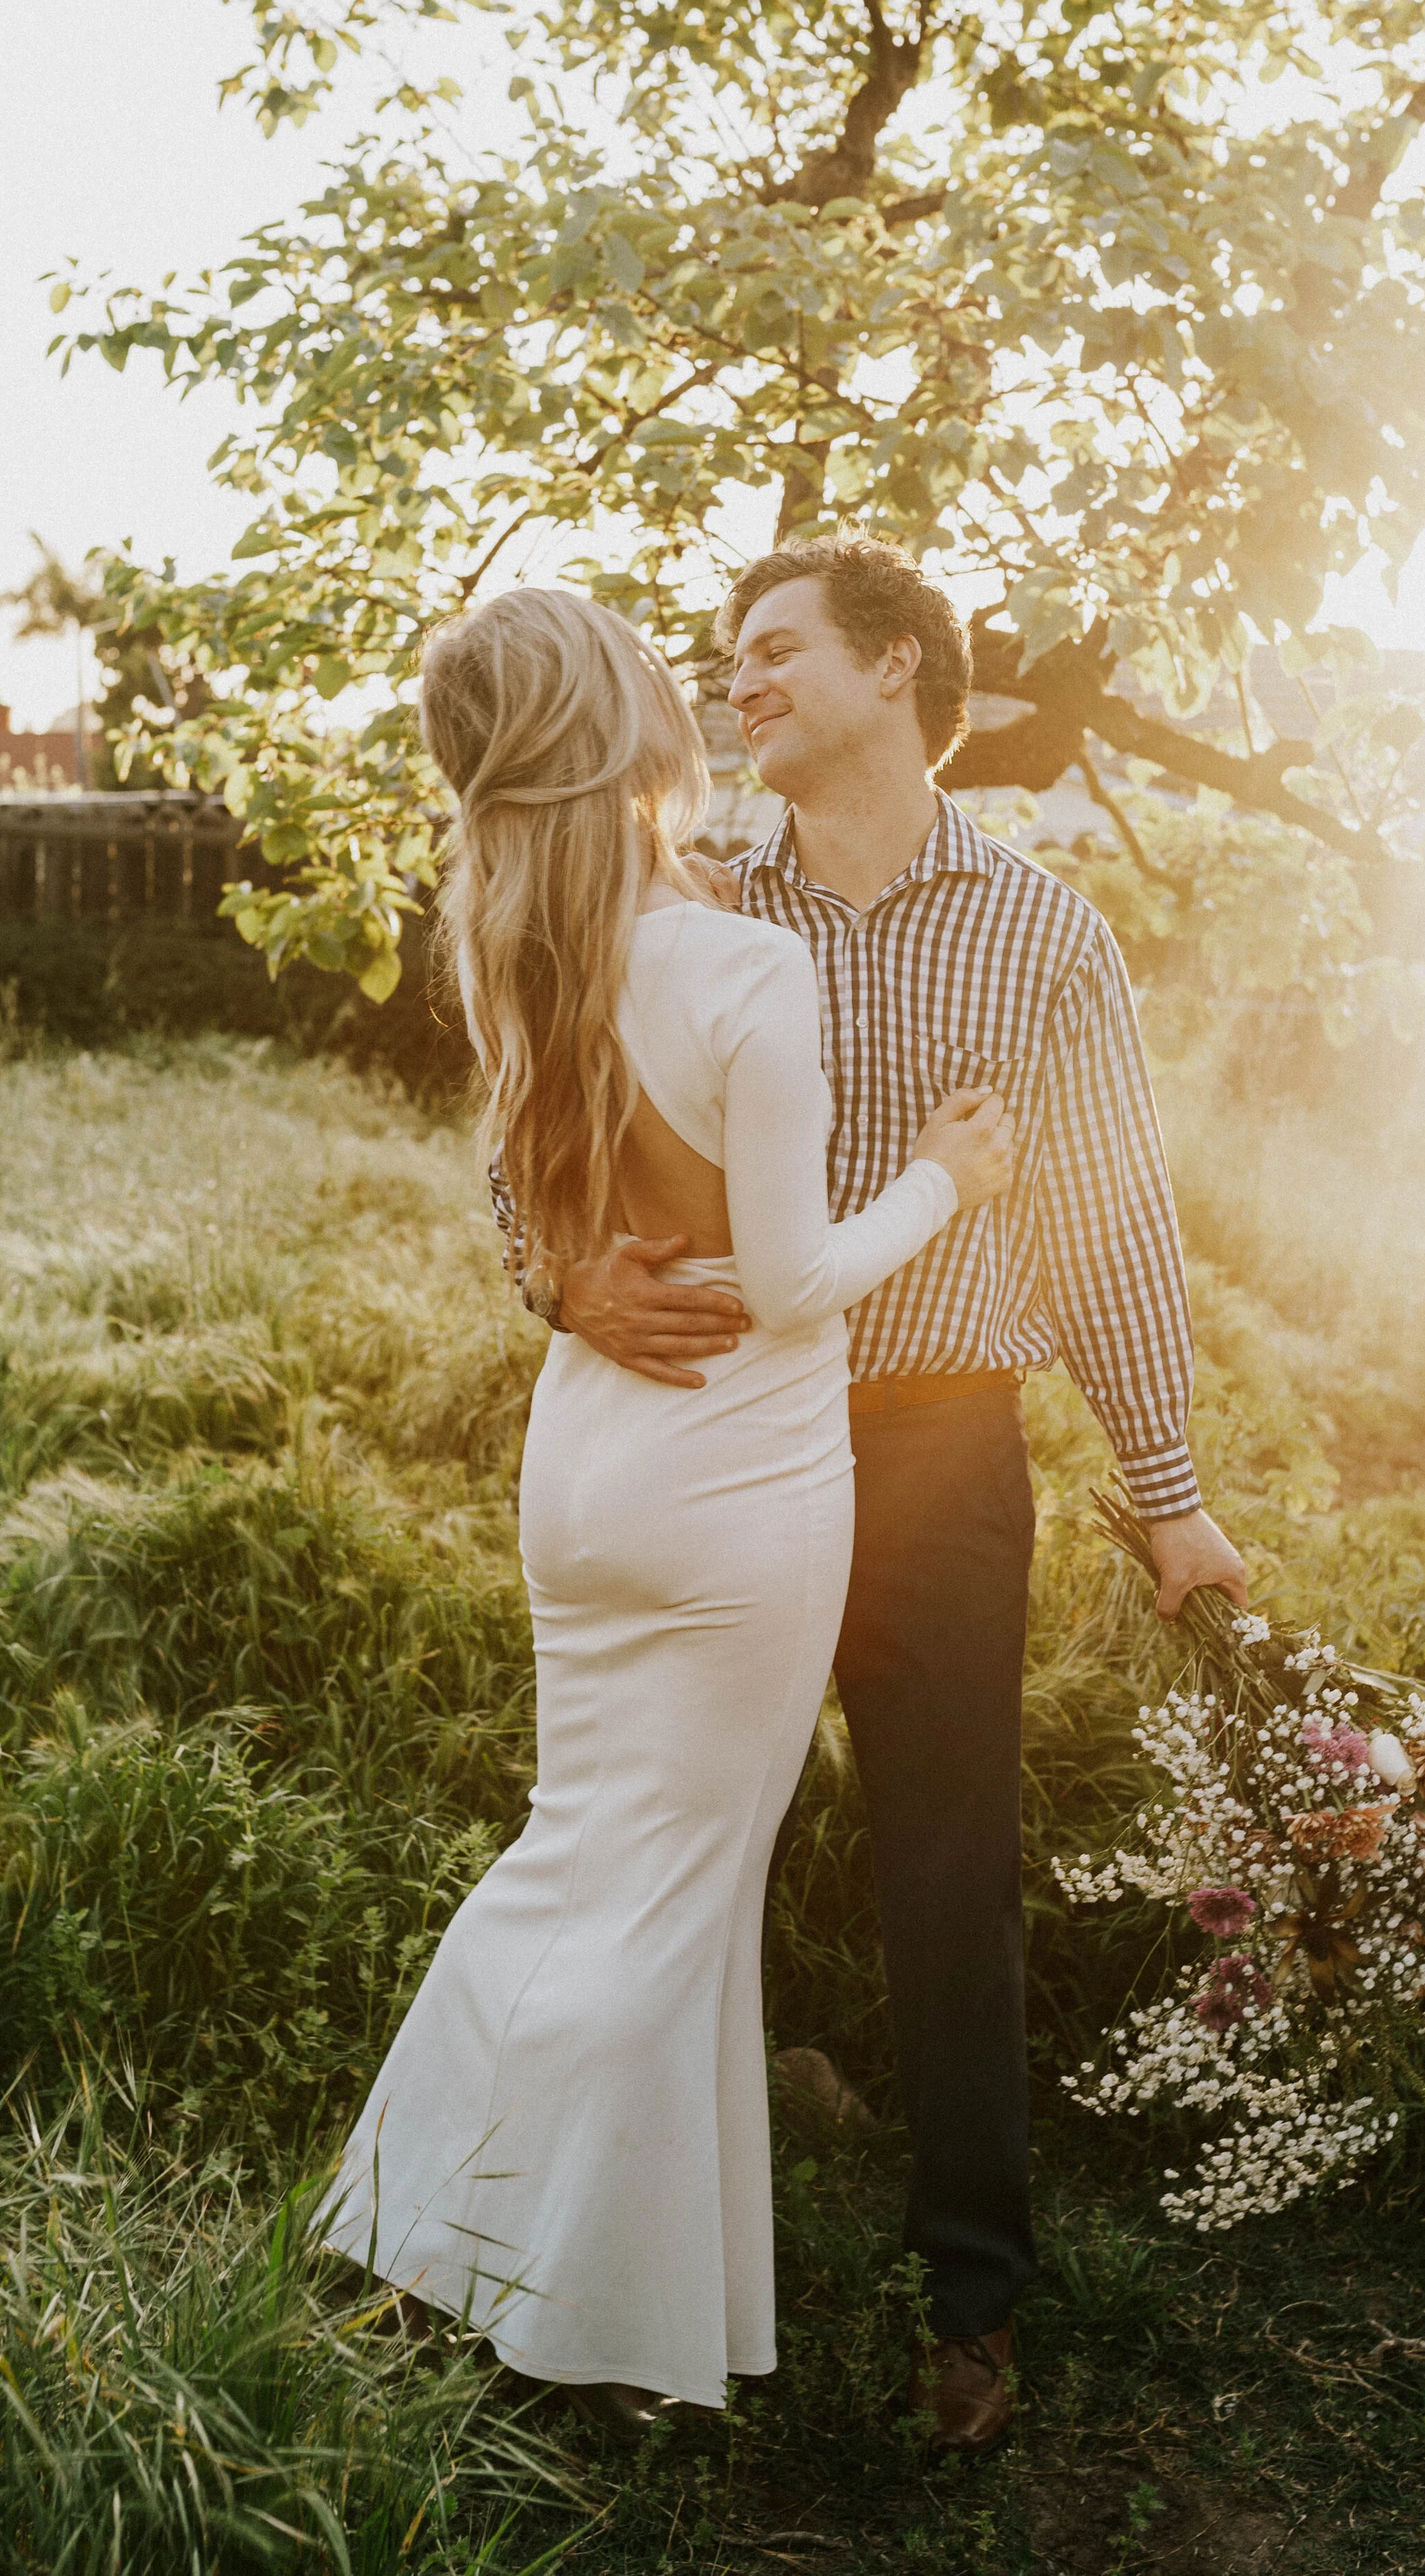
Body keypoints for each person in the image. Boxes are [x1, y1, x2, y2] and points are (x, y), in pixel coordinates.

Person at [545, 535, 1248, 2456]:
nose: (736, 679)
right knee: (681, 1860)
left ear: (897, 670)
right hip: (708, 1446)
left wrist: (1167, 1492)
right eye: (724, 654)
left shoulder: (1040, 931)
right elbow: (534, 1125)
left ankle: (970, 2301)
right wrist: (550, 1269)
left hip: (938, 1448)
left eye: (775, 650)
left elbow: (1109, 1221)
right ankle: (610, 2284)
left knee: (949, 1870)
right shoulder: (673, 897)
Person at [319, 585, 1014, 2440]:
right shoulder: (735, 965)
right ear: (621, 722)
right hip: (732, 1484)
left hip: (589, 1461)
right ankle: (544, 2324)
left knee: (580, 1861)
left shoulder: (510, 942)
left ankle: (517, 2272)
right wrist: (946, 1177)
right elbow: (790, 1281)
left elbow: (529, 1176)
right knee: (662, 1903)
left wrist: (560, 1277)